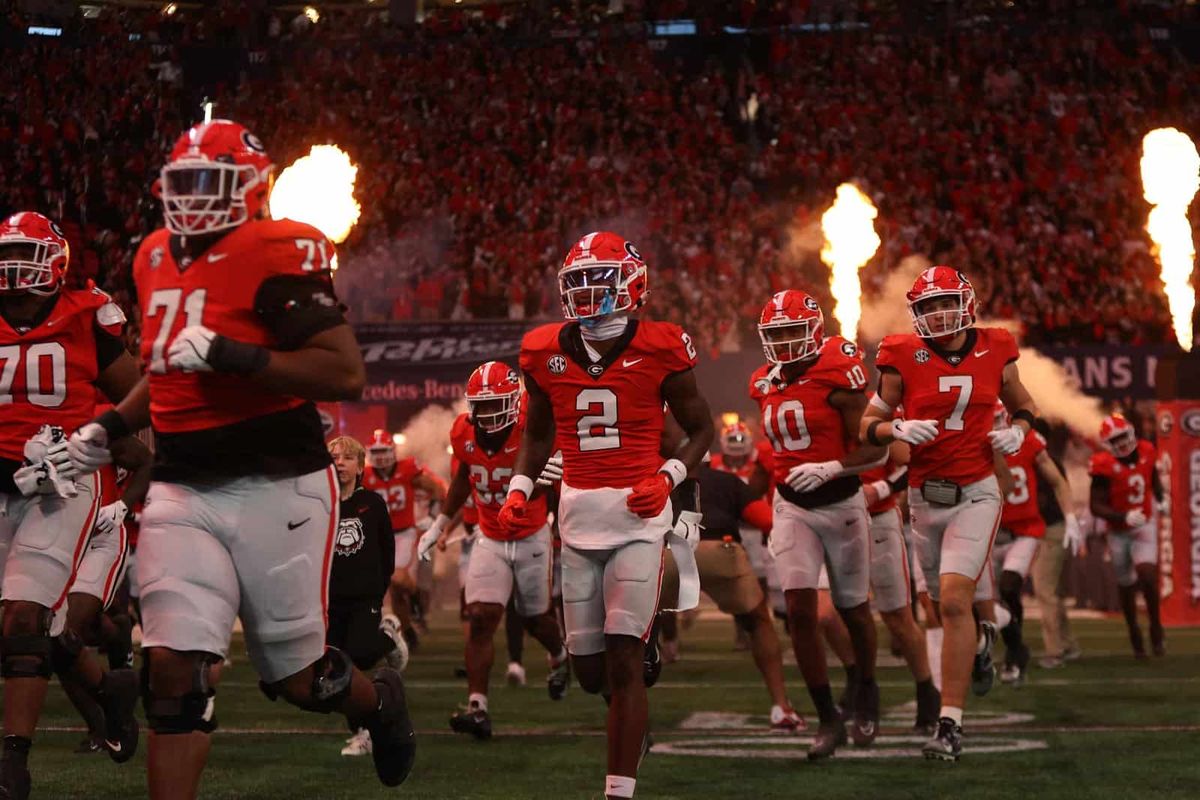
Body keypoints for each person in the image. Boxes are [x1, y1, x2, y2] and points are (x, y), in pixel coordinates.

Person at [65, 119, 414, 799]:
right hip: (183, 486)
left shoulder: (278, 249)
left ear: (252, 189)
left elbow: (343, 372)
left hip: (278, 483)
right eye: (185, 182)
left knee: (298, 678)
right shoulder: (153, 255)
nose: (195, 196)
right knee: (172, 674)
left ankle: (379, 702)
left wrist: (237, 356)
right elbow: (168, 369)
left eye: (211, 182)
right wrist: (107, 425)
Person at [498, 231, 713, 800]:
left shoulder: (663, 345)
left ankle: (619, 788)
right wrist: (519, 489)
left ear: (633, 285)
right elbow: (537, 435)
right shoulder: (542, 350)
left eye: (601, 279)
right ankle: (638, 671)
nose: (589, 292)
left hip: (638, 520)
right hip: (577, 519)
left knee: (621, 662)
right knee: (591, 672)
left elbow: (701, 430)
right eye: (579, 282)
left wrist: (666, 479)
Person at [862, 266, 1039, 761]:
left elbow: (1024, 404)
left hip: (977, 491)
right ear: (916, 313)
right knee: (941, 609)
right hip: (925, 497)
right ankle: (983, 640)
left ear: (966, 304)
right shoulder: (900, 354)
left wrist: (1019, 430)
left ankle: (950, 725)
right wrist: (894, 431)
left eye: (946, 303)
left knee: (957, 603)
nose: (939, 313)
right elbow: (868, 423)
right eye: (929, 306)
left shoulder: (996, 346)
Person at [0, 211, 143, 799]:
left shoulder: (87, 314)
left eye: (25, 254)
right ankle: (108, 690)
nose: (13, 267)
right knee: (30, 627)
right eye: (6, 254)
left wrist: (98, 440)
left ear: (55, 262)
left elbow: (139, 397)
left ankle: (12, 763)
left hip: (64, 484)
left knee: (24, 617)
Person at [750, 289, 886, 759]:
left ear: (813, 332)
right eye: (776, 334)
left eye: (792, 332)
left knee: (854, 610)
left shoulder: (839, 373)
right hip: (791, 505)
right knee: (800, 613)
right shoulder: (762, 382)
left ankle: (866, 688)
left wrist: (834, 468)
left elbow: (876, 448)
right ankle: (828, 717)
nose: (784, 342)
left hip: (841, 503)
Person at [418, 361, 569, 740]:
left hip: (531, 535)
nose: (486, 413)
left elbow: (561, 473)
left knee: (536, 619)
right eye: (480, 405)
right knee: (481, 617)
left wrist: (557, 479)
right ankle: (477, 706)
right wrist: (440, 524)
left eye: (493, 404)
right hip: (489, 536)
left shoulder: (532, 428)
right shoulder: (462, 432)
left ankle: (559, 655)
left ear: (514, 401)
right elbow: (463, 479)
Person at [659, 457, 805, 732]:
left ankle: (625, 707)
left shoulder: (656, 478)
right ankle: (781, 706)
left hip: (668, 553)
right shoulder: (726, 481)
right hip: (720, 549)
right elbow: (765, 519)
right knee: (759, 622)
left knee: (635, 627)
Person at [55, 409, 151, 756]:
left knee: (66, 632)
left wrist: (122, 506)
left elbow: (146, 461)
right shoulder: (23, 416)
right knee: (50, 636)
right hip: (53, 535)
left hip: (99, 536)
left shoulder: (93, 417)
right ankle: (115, 640)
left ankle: (103, 723)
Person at [327, 435, 409, 757]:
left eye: (347, 458)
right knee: (337, 667)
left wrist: (378, 587)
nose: (340, 464)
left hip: (365, 597)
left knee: (359, 655)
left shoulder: (372, 503)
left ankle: (387, 638)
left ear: (360, 467)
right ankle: (361, 732)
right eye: (335, 458)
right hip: (331, 599)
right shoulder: (322, 505)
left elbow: (387, 548)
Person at [992, 402, 1082, 685]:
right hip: (987, 531)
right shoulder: (971, 439)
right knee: (980, 602)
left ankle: (1014, 655)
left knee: (1009, 587)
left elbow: (1057, 481)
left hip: (1024, 531)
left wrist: (1071, 516)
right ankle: (996, 650)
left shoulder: (1028, 440)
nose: (995, 424)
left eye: (999, 418)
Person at [1088, 413, 1164, 658]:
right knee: (1126, 584)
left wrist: (1161, 498)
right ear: (1107, 444)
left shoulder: (1147, 450)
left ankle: (1156, 625)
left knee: (1148, 576)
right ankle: (1134, 630)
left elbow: (1153, 479)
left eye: (1122, 436)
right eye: (1115, 440)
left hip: (1144, 524)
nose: (1121, 443)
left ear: (1131, 432)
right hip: (1118, 531)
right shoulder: (1102, 464)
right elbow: (1095, 506)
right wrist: (1123, 516)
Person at [363, 429, 445, 649]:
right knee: (396, 593)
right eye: (376, 452)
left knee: (397, 578)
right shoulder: (365, 476)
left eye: (383, 450)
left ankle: (416, 596)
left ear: (392, 450)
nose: (380, 456)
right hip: (376, 537)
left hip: (403, 534)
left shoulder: (407, 469)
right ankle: (408, 632)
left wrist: (432, 517)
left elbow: (438, 489)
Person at [1031, 422, 1083, 668]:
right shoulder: (1048, 459)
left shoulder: (1043, 461)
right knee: (1053, 592)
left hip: (1050, 528)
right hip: (1050, 528)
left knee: (1045, 591)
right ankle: (1068, 644)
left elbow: (1043, 500)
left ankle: (1055, 650)